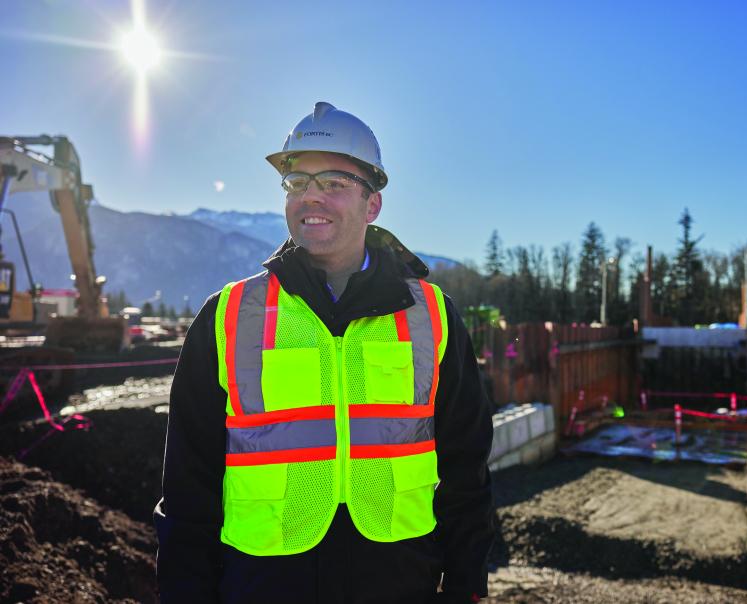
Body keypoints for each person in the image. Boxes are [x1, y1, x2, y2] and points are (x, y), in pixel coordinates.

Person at [154, 102, 494, 603]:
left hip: (398, 580)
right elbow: (189, 482)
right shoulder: (228, 315)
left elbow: (466, 465)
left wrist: (467, 584)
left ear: (372, 204)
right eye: (297, 184)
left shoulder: (431, 315)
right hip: (261, 584)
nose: (310, 197)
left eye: (333, 183)